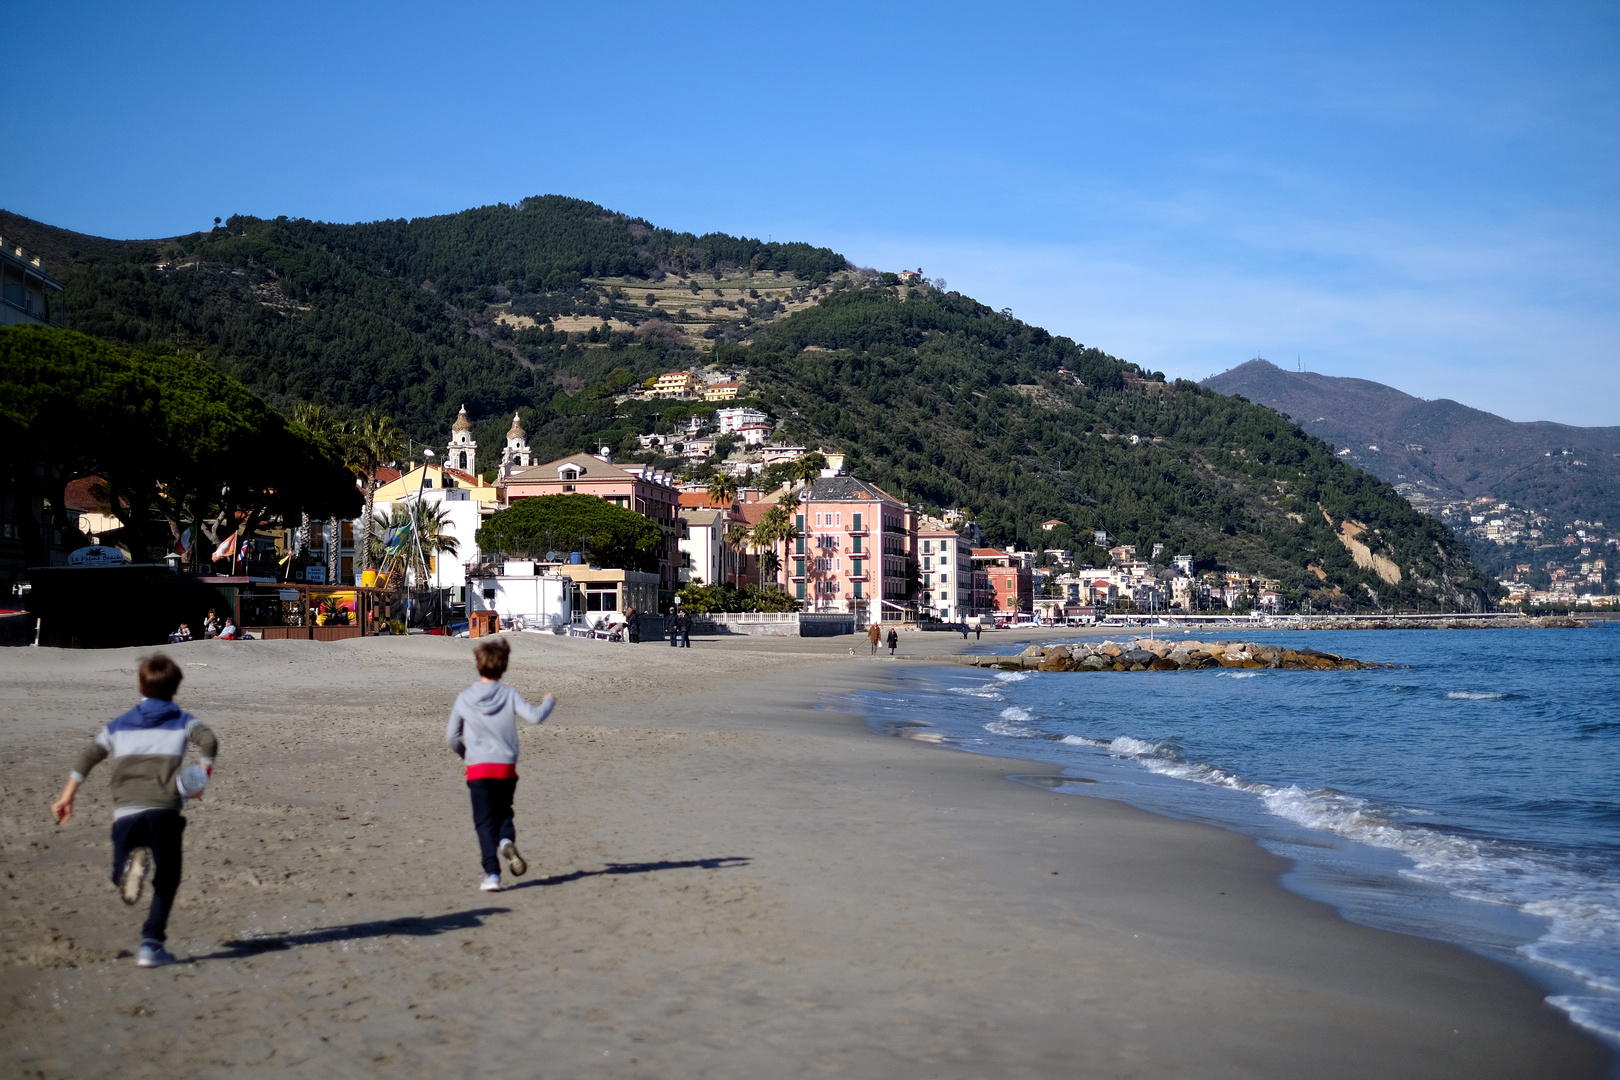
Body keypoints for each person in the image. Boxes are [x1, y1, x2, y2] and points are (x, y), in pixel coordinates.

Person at [49, 653, 218, 968]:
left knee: (122, 867)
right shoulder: (183, 721)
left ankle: (127, 867)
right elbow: (208, 741)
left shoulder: (118, 725)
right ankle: (151, 945)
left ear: (138, 685)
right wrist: (199, 779)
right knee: (167, 878)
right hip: (165, 811)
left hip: (126, 812)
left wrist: (67, 796)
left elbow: (89, 756)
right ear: (177, 687)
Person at [445, 638, 556, 892]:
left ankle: (492, 874)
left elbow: (452, 737)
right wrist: (549, 700)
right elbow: (535, 717)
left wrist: (466, 754)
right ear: (503, 667)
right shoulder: (509, 694)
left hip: (478, 769)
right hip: (505, 767)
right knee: (504, 813)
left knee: (484, 822)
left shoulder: (465, 698)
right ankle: (506, 841)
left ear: (477, 665)